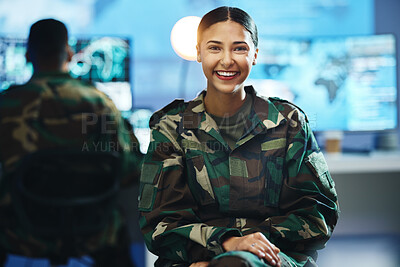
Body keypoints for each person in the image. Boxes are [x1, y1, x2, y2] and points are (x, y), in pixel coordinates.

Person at [138, 6, 339, 267]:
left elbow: (317, 215)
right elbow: (159, 225)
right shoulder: (171, 127)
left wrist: (247, 247)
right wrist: (224, 244)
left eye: (239, 48)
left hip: (272, 258)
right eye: (214, 48)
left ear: (254, 55)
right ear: (198, 52)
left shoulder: (288, 122)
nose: (227, 60)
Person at [0, 19, 142, 266]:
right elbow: (130, 170)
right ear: (69, 52)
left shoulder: (6, 105)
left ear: (26, 55)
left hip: (20, 231)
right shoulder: (99, 103)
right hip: (91, 230)